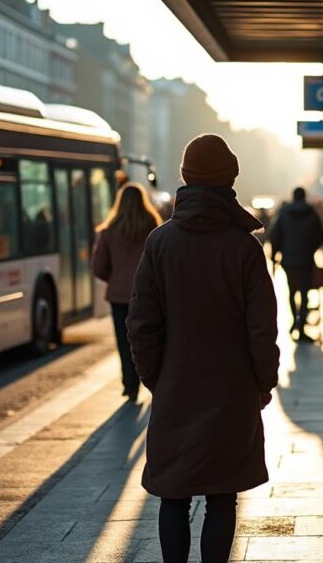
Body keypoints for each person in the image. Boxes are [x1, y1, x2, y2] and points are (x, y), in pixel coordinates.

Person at [126, 134, 280, 563]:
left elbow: (141, 325)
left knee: (172, 495)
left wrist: (158, 378)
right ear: (230, 179)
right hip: (232, 389)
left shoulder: (160, 243)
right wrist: (262, 382)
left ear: (185, 178)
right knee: (222, 495)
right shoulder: (244, 247)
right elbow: (262, 328)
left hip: (176, 387)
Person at [92, 183, 162, 401]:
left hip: (119, 296)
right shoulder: (152, 225)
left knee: (124, 341)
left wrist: (115, 279)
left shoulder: (109, 230)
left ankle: (129, 385)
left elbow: (98, 267)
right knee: (148, 339)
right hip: (148, 296)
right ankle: (147, 378)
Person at [269, 187, 323, 342]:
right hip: (305, 260)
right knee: (305, 293)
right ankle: (301, 326)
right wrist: (310, 249)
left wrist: (275, 257)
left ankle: (294, 320)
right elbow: (321, 235)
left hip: (288, 260)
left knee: (291, 291)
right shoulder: (312, 214)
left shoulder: (284, 214)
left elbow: (274, 237)